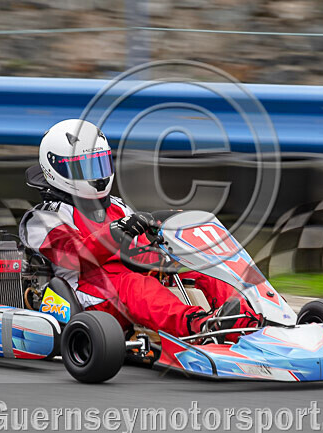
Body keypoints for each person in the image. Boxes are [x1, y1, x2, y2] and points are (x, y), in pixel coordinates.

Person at [19, 119, 257, 340]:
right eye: (84, 169)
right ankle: (202, 327)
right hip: (87, 295)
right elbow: (76, 256)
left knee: (205, 267)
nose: (97, 176)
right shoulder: (44, 218)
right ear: (56, 169)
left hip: (128, 283)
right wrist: (117, 231)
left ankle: (248, 321)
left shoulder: (118, 207)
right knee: (134, 285)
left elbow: (139, 250)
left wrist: (167, 253)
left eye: (99, 164)